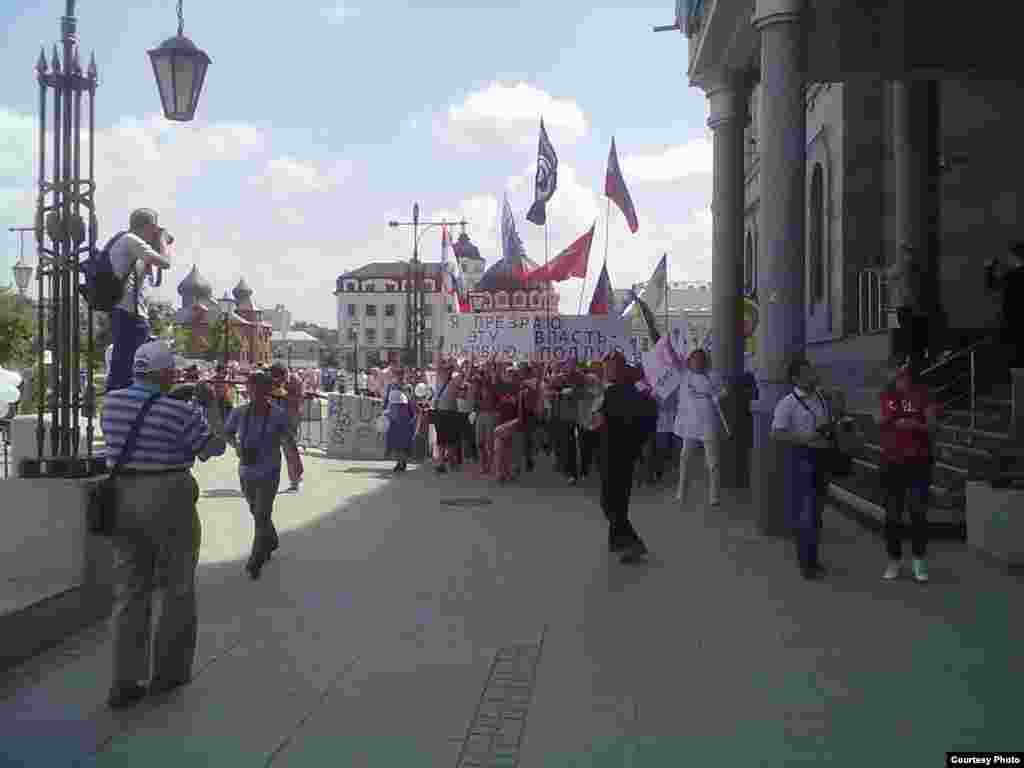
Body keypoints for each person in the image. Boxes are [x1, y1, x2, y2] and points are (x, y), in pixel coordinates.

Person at [100, 341, 226, 709]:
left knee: (130, 589)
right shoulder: (180, 411)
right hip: (168, 494)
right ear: (165, 374)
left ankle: (124, 679)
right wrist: (209, 405)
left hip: (122, 496)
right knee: (177, 584)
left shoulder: (112, 403)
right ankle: (168, 673)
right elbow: (213, 448)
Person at [224, 370, 296, 580]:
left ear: (268, 391)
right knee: (255, 509)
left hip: (269, 470)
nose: (254, 393)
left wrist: (293, 462)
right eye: (251, 389)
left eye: (259, 389)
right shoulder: (239, 412)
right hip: (246, 470)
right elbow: (227, 432)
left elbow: (288, 439)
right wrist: (235, 445)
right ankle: (271, 539)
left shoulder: (278, 414)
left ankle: (256, 558)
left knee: (262, 513)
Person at [770, 358, 837, 580]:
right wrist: (803, 438)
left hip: (823, 457)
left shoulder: (820, 397)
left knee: (817, 513)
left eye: (812, 370)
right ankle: (805, 563)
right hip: (802, 459)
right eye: (807, 372)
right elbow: (777, 433)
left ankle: (813, 559)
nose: (812, 374)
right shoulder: (787, 403)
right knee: (806, 513)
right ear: (795, 378)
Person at [878, 364, 939, 582]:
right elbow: (879, 420)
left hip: (919, 463)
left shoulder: (925, 395)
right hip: (892, 463)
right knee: (892, 515)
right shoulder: (887, 395)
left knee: (917, 512)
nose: (897, 379)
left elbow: (932, 427)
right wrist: (889, 420)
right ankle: (893, 560)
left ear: (910, 377)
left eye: (901, 375)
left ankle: (919, 560)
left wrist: (915, 424)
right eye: (895, 376)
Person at [106, 209, 173, 393]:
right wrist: (163, 240)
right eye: (155, 228)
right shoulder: (131, 240)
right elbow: (165, 262)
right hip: (131, 315)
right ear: (150, 226)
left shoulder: (126, 241)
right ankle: (125, 405)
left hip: (124, 312)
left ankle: (117, 404)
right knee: (131, 368)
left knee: (123, 365)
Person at [594, 351, 649, 564]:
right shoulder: (622, 391)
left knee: (611, 502)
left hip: (617, 454)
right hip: (618, 453)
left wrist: (602, 421)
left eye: (610, 367)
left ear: (619, 369)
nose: (607, 371)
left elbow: (620, 422)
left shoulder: (619, 393)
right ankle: (618, 542)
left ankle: (632, 543)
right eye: (606, 367)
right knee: (617, 502)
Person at [674, 349, 728, 507]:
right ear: (690, 361)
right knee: (685, 458)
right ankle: (681, 490)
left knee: (713, 462)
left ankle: (714, 495)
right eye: (694, 359)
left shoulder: (712, 376)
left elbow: (724, 390)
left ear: (705, 361)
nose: (697, 362)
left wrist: (718, 396)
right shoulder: (685, 376)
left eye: (700, 359)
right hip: (690, 423)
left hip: (708, 422)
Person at [985, 240, 1024, 369]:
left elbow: (992, 286)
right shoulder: (1012, 275)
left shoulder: (1012, 276)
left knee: (1016, 364)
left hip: (1014, 326)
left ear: (1016, 256)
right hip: (1015, 326)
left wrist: (989, 268)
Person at [270, 363, 304, 491]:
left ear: (285, 374)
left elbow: (299, 400)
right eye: (275, 379)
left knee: (289, 449)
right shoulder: (273, 379)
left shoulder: (296, 381)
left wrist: (284, 394)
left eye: (280, 379)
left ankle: (295, 479)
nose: (278, 382)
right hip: (274, 417)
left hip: (290, 418)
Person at [384, 368, 415, 472]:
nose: (400, 377)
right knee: (395, 442)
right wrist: (385, 412)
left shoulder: (408, 387)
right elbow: (387, 401)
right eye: (398, 375)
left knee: (403, 442)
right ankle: (399, 462)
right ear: (395, 376)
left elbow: (411, 401)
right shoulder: (391, 386)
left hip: (404, 417)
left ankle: (402, 462)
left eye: (401, 375)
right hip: (393, 417)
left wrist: (412, 415)